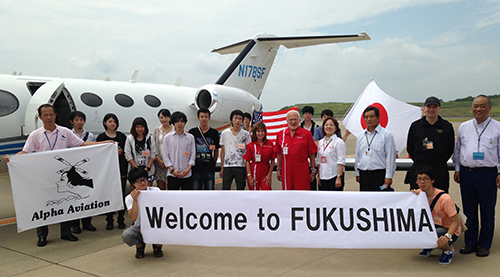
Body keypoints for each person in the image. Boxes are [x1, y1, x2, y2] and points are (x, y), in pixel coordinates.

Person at [2, 104, 109, 247]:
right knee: (42, 204)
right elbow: (26, 152)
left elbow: (81, 144)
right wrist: (13, 158)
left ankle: (66, 232)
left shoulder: (64, 131)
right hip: (44, 176)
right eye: (45, 115)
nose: (49, 117)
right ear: (40, 117)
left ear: (55, 115)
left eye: (51, 114)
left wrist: (103, 143)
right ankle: (42, 235)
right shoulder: (35, 135)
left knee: (65, 202)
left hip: (62, 176)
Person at [453, 95, 500, 257]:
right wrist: (458, 169)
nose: (478, 109)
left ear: (489, 108)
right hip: (467, 173)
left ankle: (485, 244)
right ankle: (471, 242)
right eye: (475, 106)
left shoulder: (497, 128)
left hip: (488, 174)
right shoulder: (464, 127)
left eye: (482, 106)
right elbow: (457, 151)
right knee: (469, 209)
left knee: (487, 210)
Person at [411, 165, 460, 265]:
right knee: (414, 231)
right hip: (432, 225)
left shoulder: (444, 199)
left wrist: (448, 236)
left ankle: (448, 250)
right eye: (419, 179)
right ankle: (429, 246)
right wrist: (411, 198)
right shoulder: (418, 195)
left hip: (449, 229)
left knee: (437, 235)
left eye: (426, 179)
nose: (422, 182)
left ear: (432, 180)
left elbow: (456, 222)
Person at [407, 96, 454, 192]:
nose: (431, 110)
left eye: (434, 107)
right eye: (429, 107)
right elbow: (410, 147)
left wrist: (437, 161)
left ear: (439, 109)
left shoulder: (447, 127)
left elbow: (450, 149)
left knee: (440, 200)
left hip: (439, 171)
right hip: (419, 171)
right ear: (424, 108)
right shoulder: (415, 126)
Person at [121, 167, 163, 258]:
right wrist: (135, 200)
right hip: (138, 225)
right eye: (139, 181)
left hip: (155, 223)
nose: (143, 183)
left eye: (144, 179)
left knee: (162, 229)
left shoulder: (156, 191)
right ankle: (140, 246)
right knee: (127, 235)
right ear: (133, 184)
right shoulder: (129, 198)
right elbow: (133, 218)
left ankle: (157, 246)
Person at [96, 113, 128, 230]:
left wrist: (124, 172)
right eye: (109, 121)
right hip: (107, 173)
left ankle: (121, 220)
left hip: (120, 171)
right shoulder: (101, 138)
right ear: (105, 123)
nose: (112, 123)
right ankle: (109, 220)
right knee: (108, 197)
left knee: (120, 196)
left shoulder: (121, 137)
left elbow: (126, 155)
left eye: (114, 121)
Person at [354, 106, 396, 191]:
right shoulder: (361, 136)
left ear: (378, 118)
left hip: (379, 175)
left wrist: (388, 176)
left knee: (380, 199)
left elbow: (390, 157)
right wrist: (357, 173)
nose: (369, 119)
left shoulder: (386, 135)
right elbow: (358, 156)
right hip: (364, 175)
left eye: (372, 116)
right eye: (366, 117)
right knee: (365, 201)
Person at [274, 110, 317, 190]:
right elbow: (279, 153)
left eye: (295, 119)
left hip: (301, 171)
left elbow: (312, 153)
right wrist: (279, 169)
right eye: (291, 119)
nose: (293, 122)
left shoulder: (306, 134)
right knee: (287, 194)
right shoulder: (281, 135)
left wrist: (313, 170)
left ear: (299, 120)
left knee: (302, 194)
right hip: (286, 171)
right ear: (287, 121)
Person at [69, 111, 97, 233]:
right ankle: (75, 224)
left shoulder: (90, 135)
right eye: (76, 120)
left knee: (87, 195)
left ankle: (87, 222)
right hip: (73, 170)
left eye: (81, 119)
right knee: (74, 196)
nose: (79, 122)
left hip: (86, 168)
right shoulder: (68, 134)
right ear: (72, 121)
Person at [189, 108, 220, 190]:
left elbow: (216, 150)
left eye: (206, 117)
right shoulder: (193, 132)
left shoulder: (214, 133)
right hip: (196, 168)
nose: (204, 119)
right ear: (198, 118)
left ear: (209, 118)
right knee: (196, 191)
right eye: (202, 117)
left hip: (209, 168)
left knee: (209, 191)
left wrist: (214, 162)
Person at [163, 111, 196, 190]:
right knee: (173, 198)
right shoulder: (167, 137)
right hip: (172, 175)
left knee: (187, 198)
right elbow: (165, 155)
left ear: (185, 123)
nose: (179, 124)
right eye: (177, 121)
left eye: (182, 121)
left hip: (187, 174)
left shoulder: (190, 137)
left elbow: (193, 154)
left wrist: (188, 169)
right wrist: (172, 170)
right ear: (173, 123)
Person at [220, 109, 251, 190]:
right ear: (231, 119)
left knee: (240, 189)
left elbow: (248, 151)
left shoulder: (246, 134)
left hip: (241, 166)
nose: (237, 120)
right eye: (235, 118)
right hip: (228, 166)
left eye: (240, 118)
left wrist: (248, 170)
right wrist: (222, 168)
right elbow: (223, 151)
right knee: (225, 189)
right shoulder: (224, 133)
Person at [316, 117, 346, 191]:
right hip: (323, 177)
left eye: (331, 125)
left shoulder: (339, 142)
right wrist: (319, 177)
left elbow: (341, 161)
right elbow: (319, 161)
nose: (328, 127)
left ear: (336, 128)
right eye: (326, 125)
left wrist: (339, 177)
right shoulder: (320, 142)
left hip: (334, 176)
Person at [243, 122, 276, 190]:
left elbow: (273, 160)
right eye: (258, 131)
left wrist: (269, 174)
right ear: (255, 132)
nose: (260, 133)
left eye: (262, 131)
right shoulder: (250, 145)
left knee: (267, 192)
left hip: (265, 172)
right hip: (254, 173)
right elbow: (247, 161)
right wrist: (249, 176)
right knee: (254, 195)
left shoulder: (270, 144)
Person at [124, 117, 156, 186]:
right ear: (134, 128)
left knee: (148, 192)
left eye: (142, 127)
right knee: (135, 193)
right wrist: (137, 169)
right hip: (134, 170)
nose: (140, 129)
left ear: (145, 127)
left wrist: (147, 168)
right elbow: (128, 155)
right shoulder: (130, 139)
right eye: (137, 127)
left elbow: (153, 154)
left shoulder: (150, 138)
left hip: (148, 170)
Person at [152, 109, 173, 190]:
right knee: (160, 186)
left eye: (165, 117)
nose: (163, 119)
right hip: (159, 162)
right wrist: (158, 160)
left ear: (169, 118)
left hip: (172, 162)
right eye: (161, 117)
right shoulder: (157, 131)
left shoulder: (174, 130)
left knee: (171, 186)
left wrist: (167, 162)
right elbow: (153, 146)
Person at [300, 106, 319, 191]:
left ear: (312, 115)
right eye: (306, 113)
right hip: (301, 157)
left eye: (309, 113)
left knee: (312, 180)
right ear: (303, 115)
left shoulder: (316, 127)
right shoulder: (299, 127)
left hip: (313, 157)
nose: (307, 115)